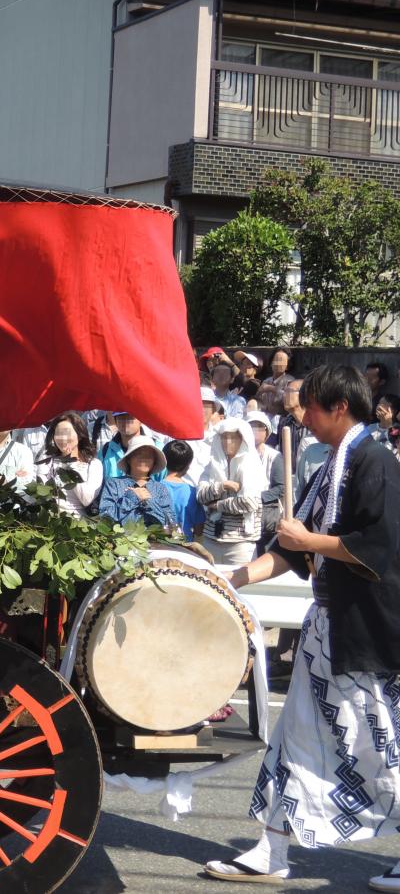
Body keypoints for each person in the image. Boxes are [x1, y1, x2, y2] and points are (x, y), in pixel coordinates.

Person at [202, 365, 400, 890]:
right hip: (326, 629)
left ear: (340, 407)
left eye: (310, 406)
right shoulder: (330, 466)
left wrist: (310, 542)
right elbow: (289, 549)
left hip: (366, 634)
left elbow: (380, 546)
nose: (302, 416)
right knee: (292, 740)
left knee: (376, 746)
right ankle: (272, 849)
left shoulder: (374, 461)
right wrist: (231, 579)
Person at [197, 419, 267, 565]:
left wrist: (218, 505)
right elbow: (201, 496)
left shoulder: (251, 465)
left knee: (240, 586)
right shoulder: (213, 465)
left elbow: (249, 503)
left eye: (233, 437)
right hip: (212, 538)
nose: (228, 442)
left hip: (241, 542)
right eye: (224, 437)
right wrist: (223, 485)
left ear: (242, 439)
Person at [35, 411, 102, 516]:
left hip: (79, 523)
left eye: (67, 433)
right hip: (50, 520)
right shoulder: (47, 460)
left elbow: (86, 499)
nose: (62, 438)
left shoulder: (93, 464)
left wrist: (70, 464)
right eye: (58, 433)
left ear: (79, 435)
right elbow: (42, 494)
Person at [97, 435, 173, 526]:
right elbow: (105, 518)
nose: (144, 458)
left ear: (154, 461)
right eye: (138, 454)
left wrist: (149, 502)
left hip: (154, 540)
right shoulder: (114, 484)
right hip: (119, 539)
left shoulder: (160, 488)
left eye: (149, 456)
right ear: (129, 459)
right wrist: (131, 498)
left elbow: (170, 522)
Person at [248, 410, 285, 552]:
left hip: (266, 515)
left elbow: (281, 487)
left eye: (260, 427)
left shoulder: (274, 456)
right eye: (252, 427)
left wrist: (257, 498)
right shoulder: (238, 454)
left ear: (267, 432)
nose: (255, 431)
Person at [163, 440, 206, 541]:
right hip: (185, 547)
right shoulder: (193, 493)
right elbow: (199, 529)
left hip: (159, 545)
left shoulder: (154, 488)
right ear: (188, 465)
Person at [98, 413, 163, 480]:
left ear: (141, 420)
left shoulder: (157, 448)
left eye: (131, 416)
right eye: (121, 417)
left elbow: (165, 484)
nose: (126, 420)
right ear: (115, 420)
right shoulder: (105, 450)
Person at [257, 346, 295, 418]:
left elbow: (290, 401)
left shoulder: (290, 381)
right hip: (264, 417)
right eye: (276, 360)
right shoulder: (266, 381)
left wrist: (272, 389)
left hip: (281, 419)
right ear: (271, 363)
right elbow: (258, 399)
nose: (278, 363)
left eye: (282, 361)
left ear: (287, 366)